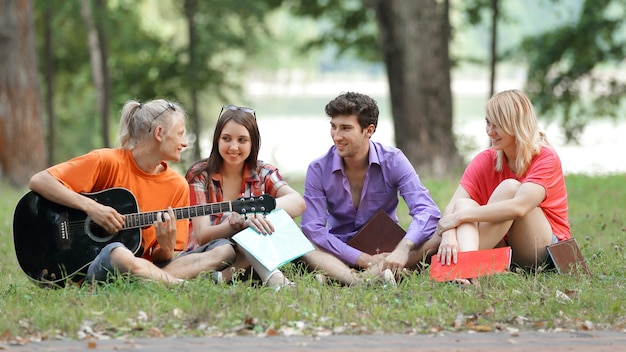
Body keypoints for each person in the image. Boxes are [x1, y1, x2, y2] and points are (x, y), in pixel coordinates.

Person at [28, 99, 235, 285]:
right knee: (119, 253)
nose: (185, 142)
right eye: (180, 134)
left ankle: (153, 282)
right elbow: (40, 181)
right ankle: (178, 285)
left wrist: (167, 245)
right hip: (102, 263)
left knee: (224, 249)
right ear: (159, 133)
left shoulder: (177, 185)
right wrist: (93, 208)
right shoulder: (106, 161)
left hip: (147, 269)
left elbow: (161, 258)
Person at [299, 92, 442, 286]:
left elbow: (427, 210)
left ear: (369, 130)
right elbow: (313, 228)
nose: (336, 136)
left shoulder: (393, 160)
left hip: (386, 250)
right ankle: (363, 279)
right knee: (303, 243)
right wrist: (361, 258)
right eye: (333, 127)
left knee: (439, 234)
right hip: (338, 250)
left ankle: (342, 277)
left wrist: (404, 247)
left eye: (346, 128)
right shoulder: (318, 168)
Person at [435, 89, 571, 283]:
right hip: (504, 249)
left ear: (515, 125)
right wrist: (448, 235)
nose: (490, 131)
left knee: (509, 188)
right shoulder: (485, 159)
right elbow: (452, 207)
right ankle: (467, 272)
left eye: (497, 125)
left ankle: (461, 265)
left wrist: (459, 217)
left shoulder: (546, 158)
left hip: (544, 251)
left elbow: (519, 207)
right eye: (488, 122)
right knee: (464, 204)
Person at [183, 104, 306, 289]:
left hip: (249, 255)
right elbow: (202, 236)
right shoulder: (200, 175)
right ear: (217, 140)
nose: (234, 147)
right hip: (210, 254)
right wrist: (233, 225)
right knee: (245, 230)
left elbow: (297, 203)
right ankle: (276, 281)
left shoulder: (263, 171)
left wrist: (254, 215)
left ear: (252, 143)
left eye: (242, 140)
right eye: (226, 139)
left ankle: (224, 277)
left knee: (262, 224)